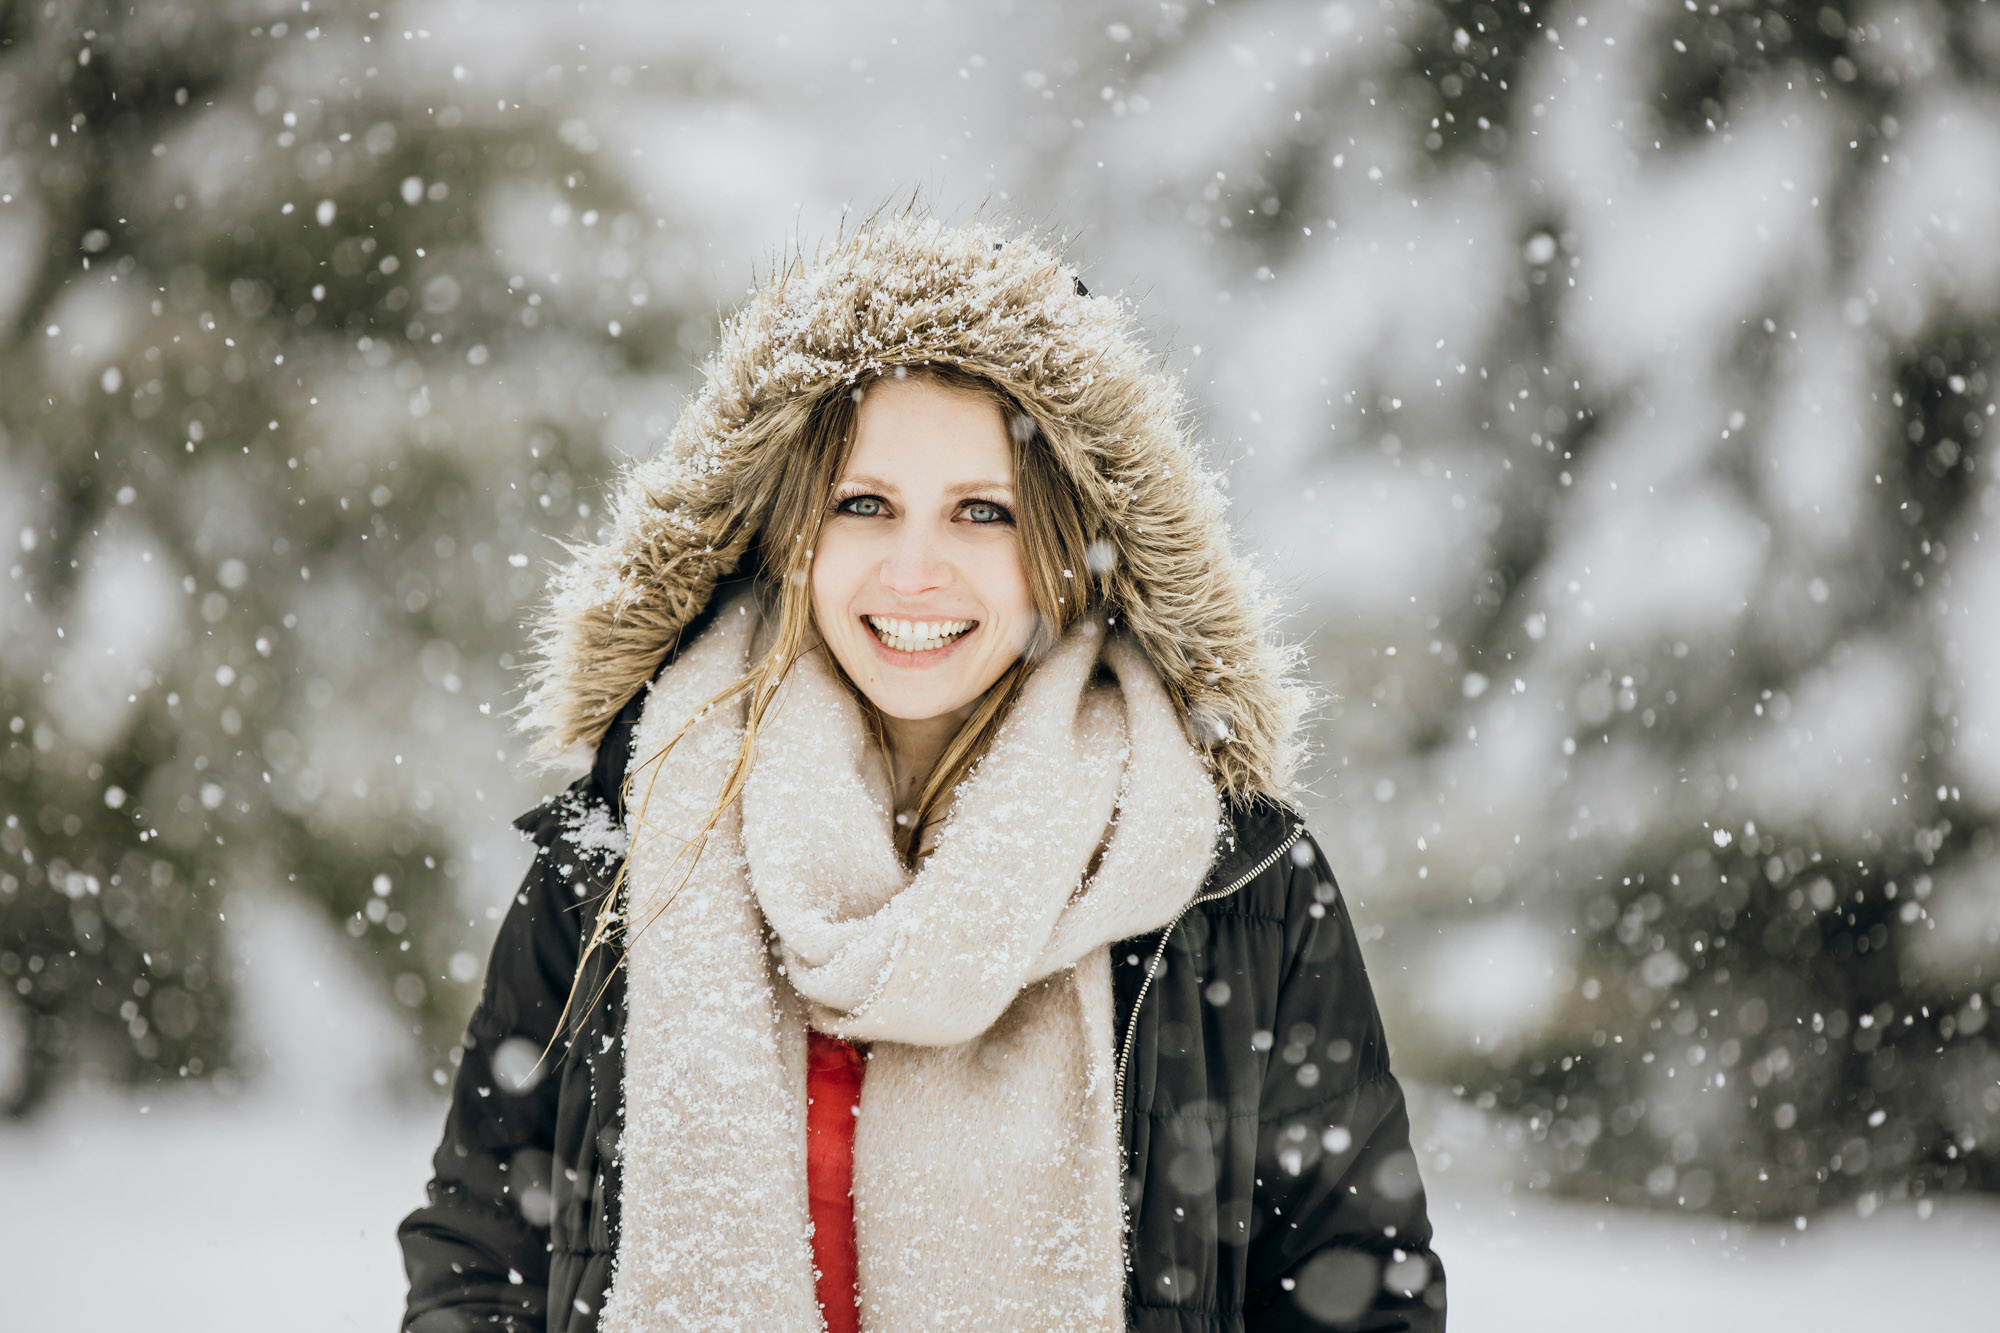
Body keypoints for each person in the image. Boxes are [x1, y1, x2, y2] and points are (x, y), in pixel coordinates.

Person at [398, 213, 1445, 1332]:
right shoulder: (630, 843)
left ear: (1066, 543)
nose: (914, 570)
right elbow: (480, 1254)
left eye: (980, 512)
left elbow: (1354, 1285)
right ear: (787, 531)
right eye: (864, 505)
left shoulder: (1226, 883)